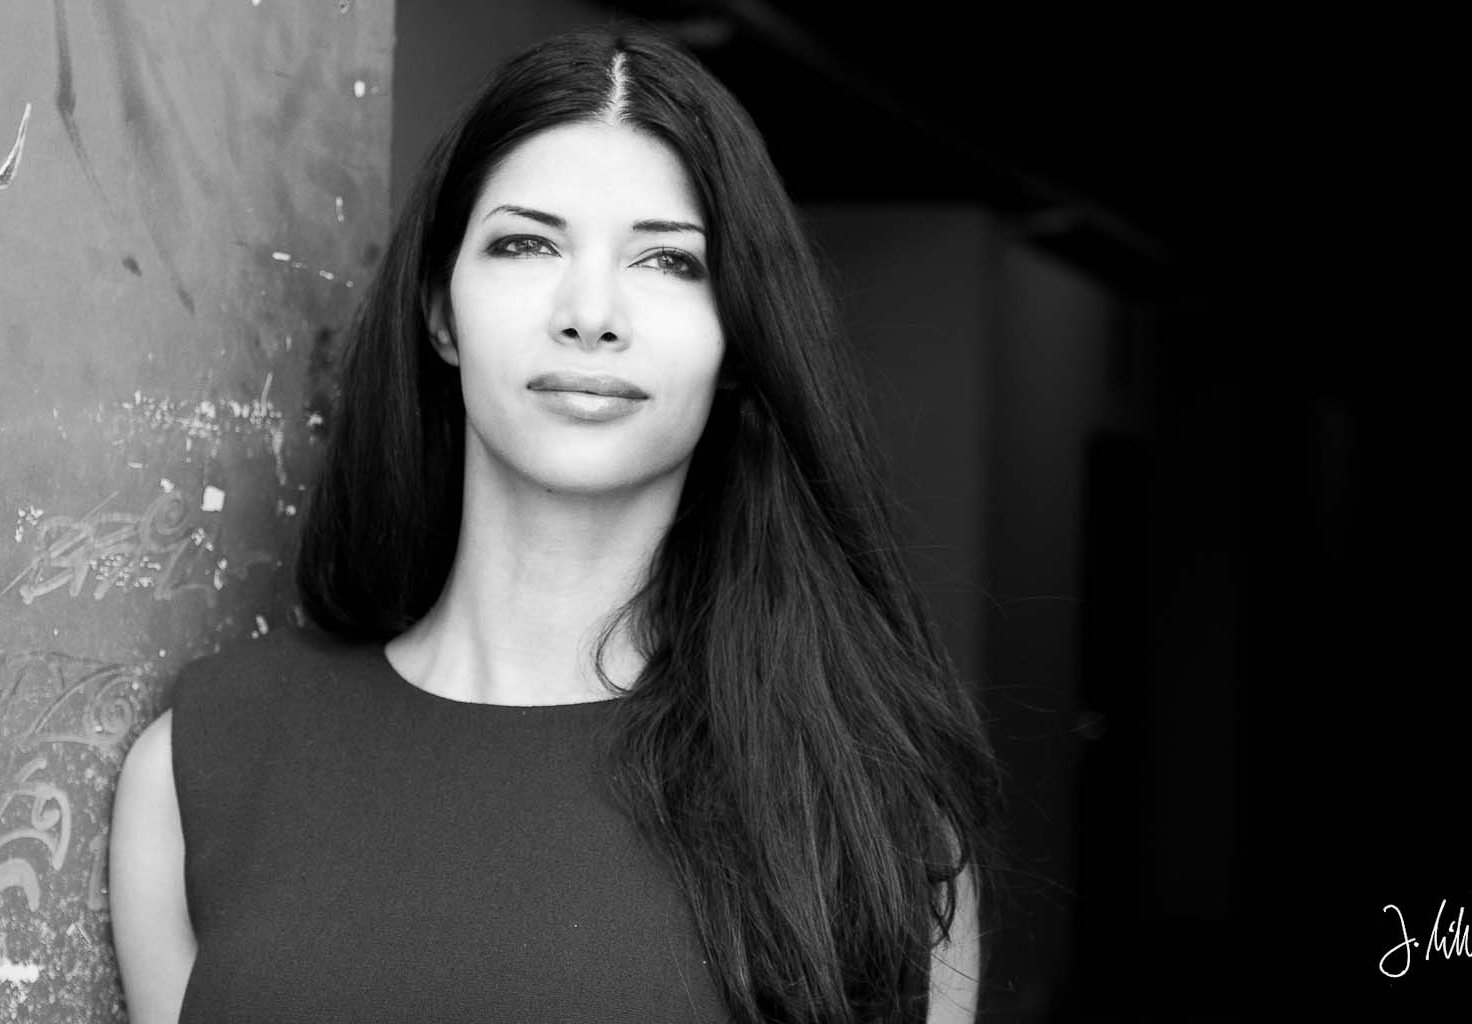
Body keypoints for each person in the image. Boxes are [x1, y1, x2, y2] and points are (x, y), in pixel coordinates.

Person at [110, 24, 1006, 1024]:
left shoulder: (869, 809)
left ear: (737, 339)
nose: (590, 312)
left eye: (667, 260)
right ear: (440, 312)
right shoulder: (205, 765)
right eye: (526, 243)